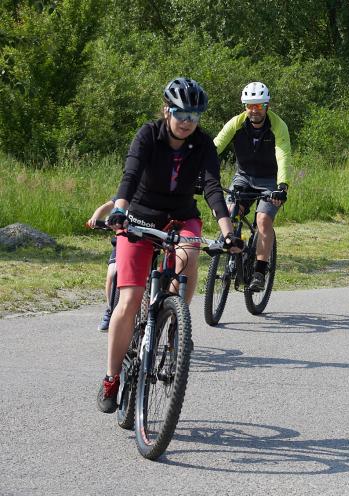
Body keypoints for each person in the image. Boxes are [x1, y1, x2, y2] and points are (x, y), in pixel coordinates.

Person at [97, 77, 243, 413]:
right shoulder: (149, 134)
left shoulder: (203, 144)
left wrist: (228, 232)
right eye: (181, 113)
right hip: (141, 215)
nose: (187, 121)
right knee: (129, 300)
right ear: (167, 110)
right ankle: (111, 377)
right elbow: (130, 175)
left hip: (181, 216)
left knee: (189, 254)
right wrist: (120, 211)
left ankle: (175, 319)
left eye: (194, 115)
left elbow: (212, 187)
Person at [214, 81, 291, 291]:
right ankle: (236, 249)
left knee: (263, 220)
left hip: (269, 180)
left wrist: (282, 186)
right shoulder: (236, 123)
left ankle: (259, 271)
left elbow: (283, 155)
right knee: (230, 212)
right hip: (244, 177)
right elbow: (216, 146)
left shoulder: (278, 126)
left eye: (259, 106)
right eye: (250, 105)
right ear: (245, 106)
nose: (254, 110)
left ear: (267, 105)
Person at [86, 199, 116, 331]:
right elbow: (107, 206)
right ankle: (110, 310)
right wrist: (95, 218)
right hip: (124, 241)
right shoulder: (128, 193)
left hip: (149, 242)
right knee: (112, 273)